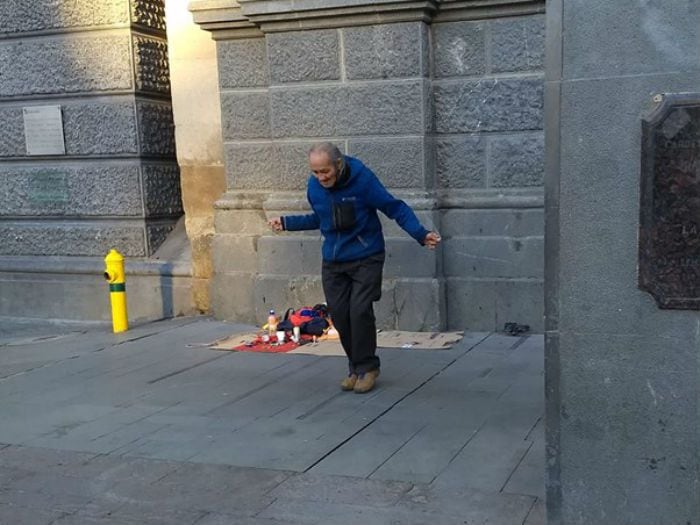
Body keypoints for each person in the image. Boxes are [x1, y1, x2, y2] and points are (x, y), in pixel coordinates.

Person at [268, 143, 441, 393]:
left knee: (359, 310)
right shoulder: (314, 187)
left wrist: (421, 234)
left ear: (339, 165)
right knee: (339, 314)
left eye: (325, 171)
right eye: (315, 172)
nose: (321, 178)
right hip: (334, 260)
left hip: (366, 255)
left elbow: (394, 207)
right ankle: (355, 367)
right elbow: (321, 218)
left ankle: (368, 368)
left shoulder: (363, 180)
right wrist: (286, 222)